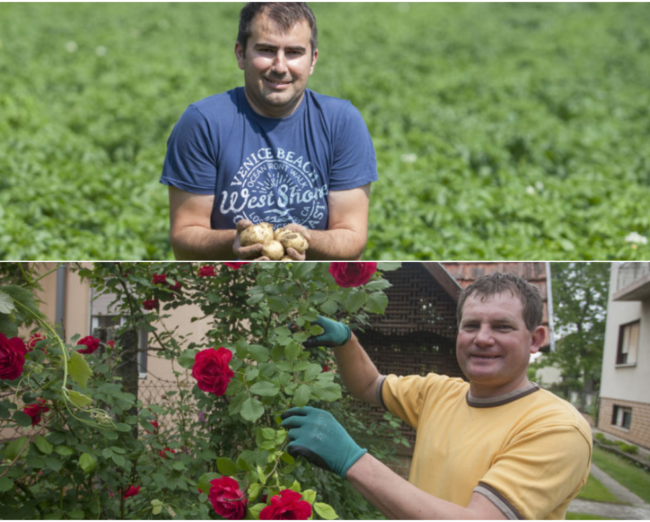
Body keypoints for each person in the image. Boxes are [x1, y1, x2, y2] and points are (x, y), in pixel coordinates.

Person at [282, 272, 592, 519]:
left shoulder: (557, 428)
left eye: (502, 327)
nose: (483, 338)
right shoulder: (439, 393)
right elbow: (368, 385)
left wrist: (352, 460)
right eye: (471, 325)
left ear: (535, 339)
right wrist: (345, 341)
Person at [161, 2, 378, 261]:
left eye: (294, 52)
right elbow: (185, 236)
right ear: (240, 54)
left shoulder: (342, 122)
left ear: (313, 60)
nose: (280, 66)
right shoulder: (203, 123)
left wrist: (305, 239)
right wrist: (234, 241)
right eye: (266, 50)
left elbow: (352, 236)